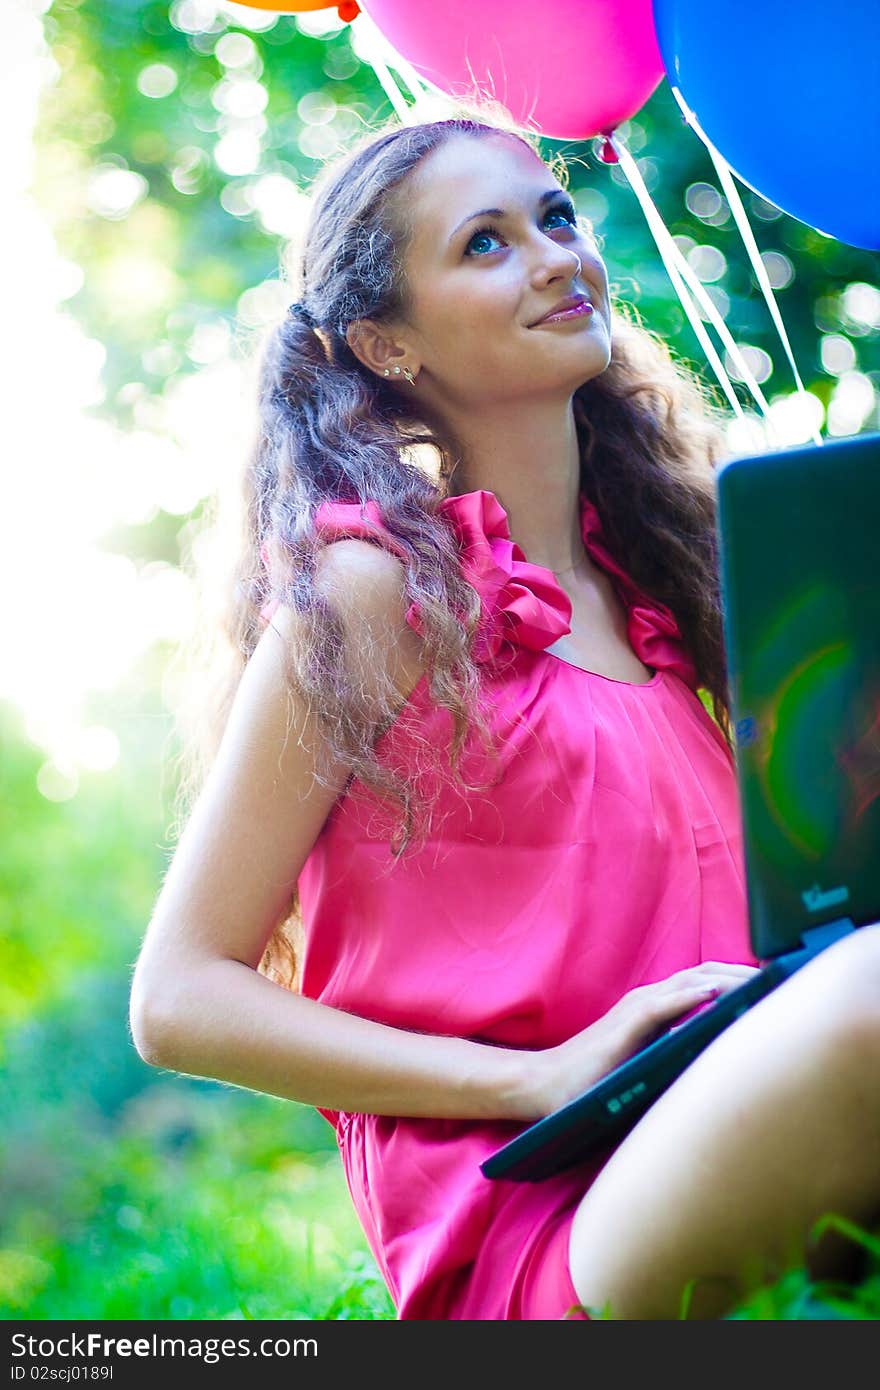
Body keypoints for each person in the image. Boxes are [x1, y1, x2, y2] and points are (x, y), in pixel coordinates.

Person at [129, 108, 880, 1321]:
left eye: (554, 217)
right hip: (542, 1218)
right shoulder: (369, 594)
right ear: (386, 345)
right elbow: (177, 995)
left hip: (752, 1107)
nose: (553, 258)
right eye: (483, 243)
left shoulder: (679, 591)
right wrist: (534, 1080)